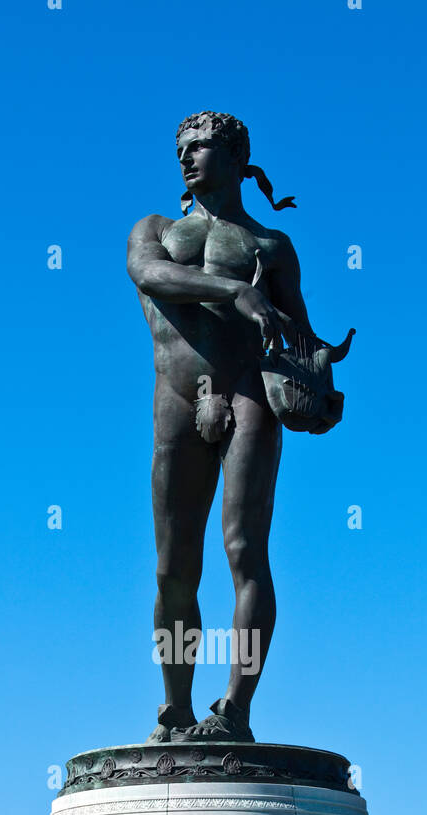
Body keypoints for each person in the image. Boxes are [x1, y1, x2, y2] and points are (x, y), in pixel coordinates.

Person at [127, 111, 349, 743]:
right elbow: (149, 275)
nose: (188, 159)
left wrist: (321, 383)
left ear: (237, 159)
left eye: (201, 148)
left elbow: (300, 341)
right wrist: (234, 293)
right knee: (173, 568)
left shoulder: (272, 247)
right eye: (182, 149)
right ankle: (176, 707)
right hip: (177, 398)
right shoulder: (156, 230)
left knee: (245, 552)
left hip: (250, 395)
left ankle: (236, 709)